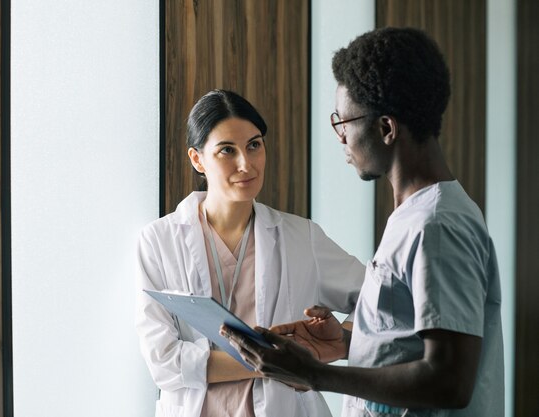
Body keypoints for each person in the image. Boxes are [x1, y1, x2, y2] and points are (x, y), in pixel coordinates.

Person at [222, 27, 504, 417]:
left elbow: (449, 381)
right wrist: (347, 341)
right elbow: (408, 340)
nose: (340, 137)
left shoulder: (438, 226)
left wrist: (316, 375)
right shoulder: (414, 217)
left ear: (386, 128)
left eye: (344, 121)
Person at [135, 89, 365, 417]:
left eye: (254, 145)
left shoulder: (302, 237)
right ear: (197, 159)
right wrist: (280, 362)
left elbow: (381, 300)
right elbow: (165, 363)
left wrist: (332, 345)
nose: (246, 164)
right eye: (227, 150)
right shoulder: (158, 241)